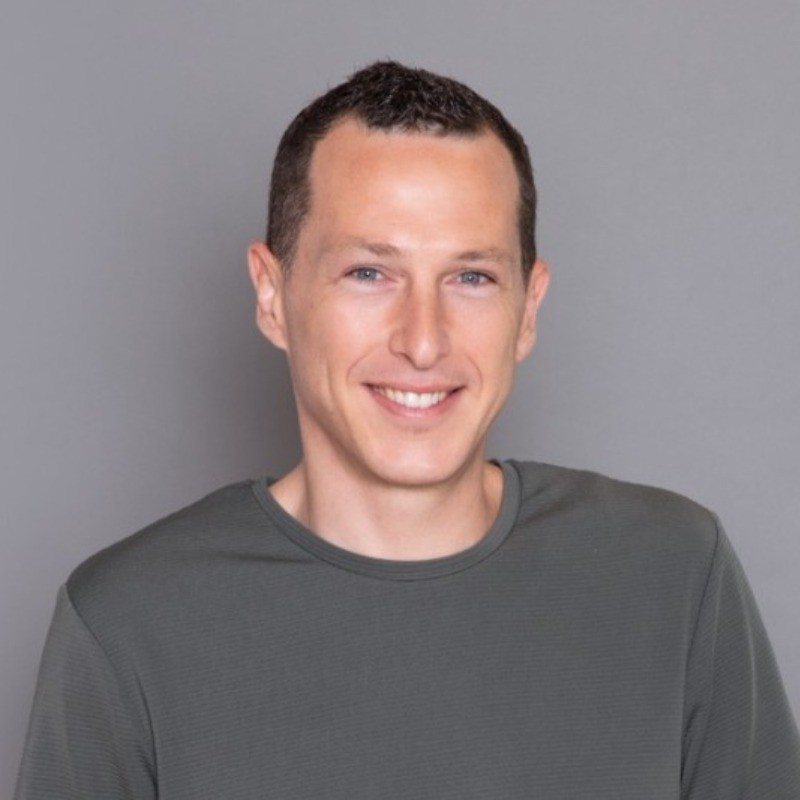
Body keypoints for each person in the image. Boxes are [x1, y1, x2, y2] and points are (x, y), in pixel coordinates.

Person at [15, 61, 800, 799]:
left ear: (528, 309)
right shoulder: (126, 623)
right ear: (272, 295)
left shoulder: (674, 574)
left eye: (472, 277)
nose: (423, 341)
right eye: (369, 273)